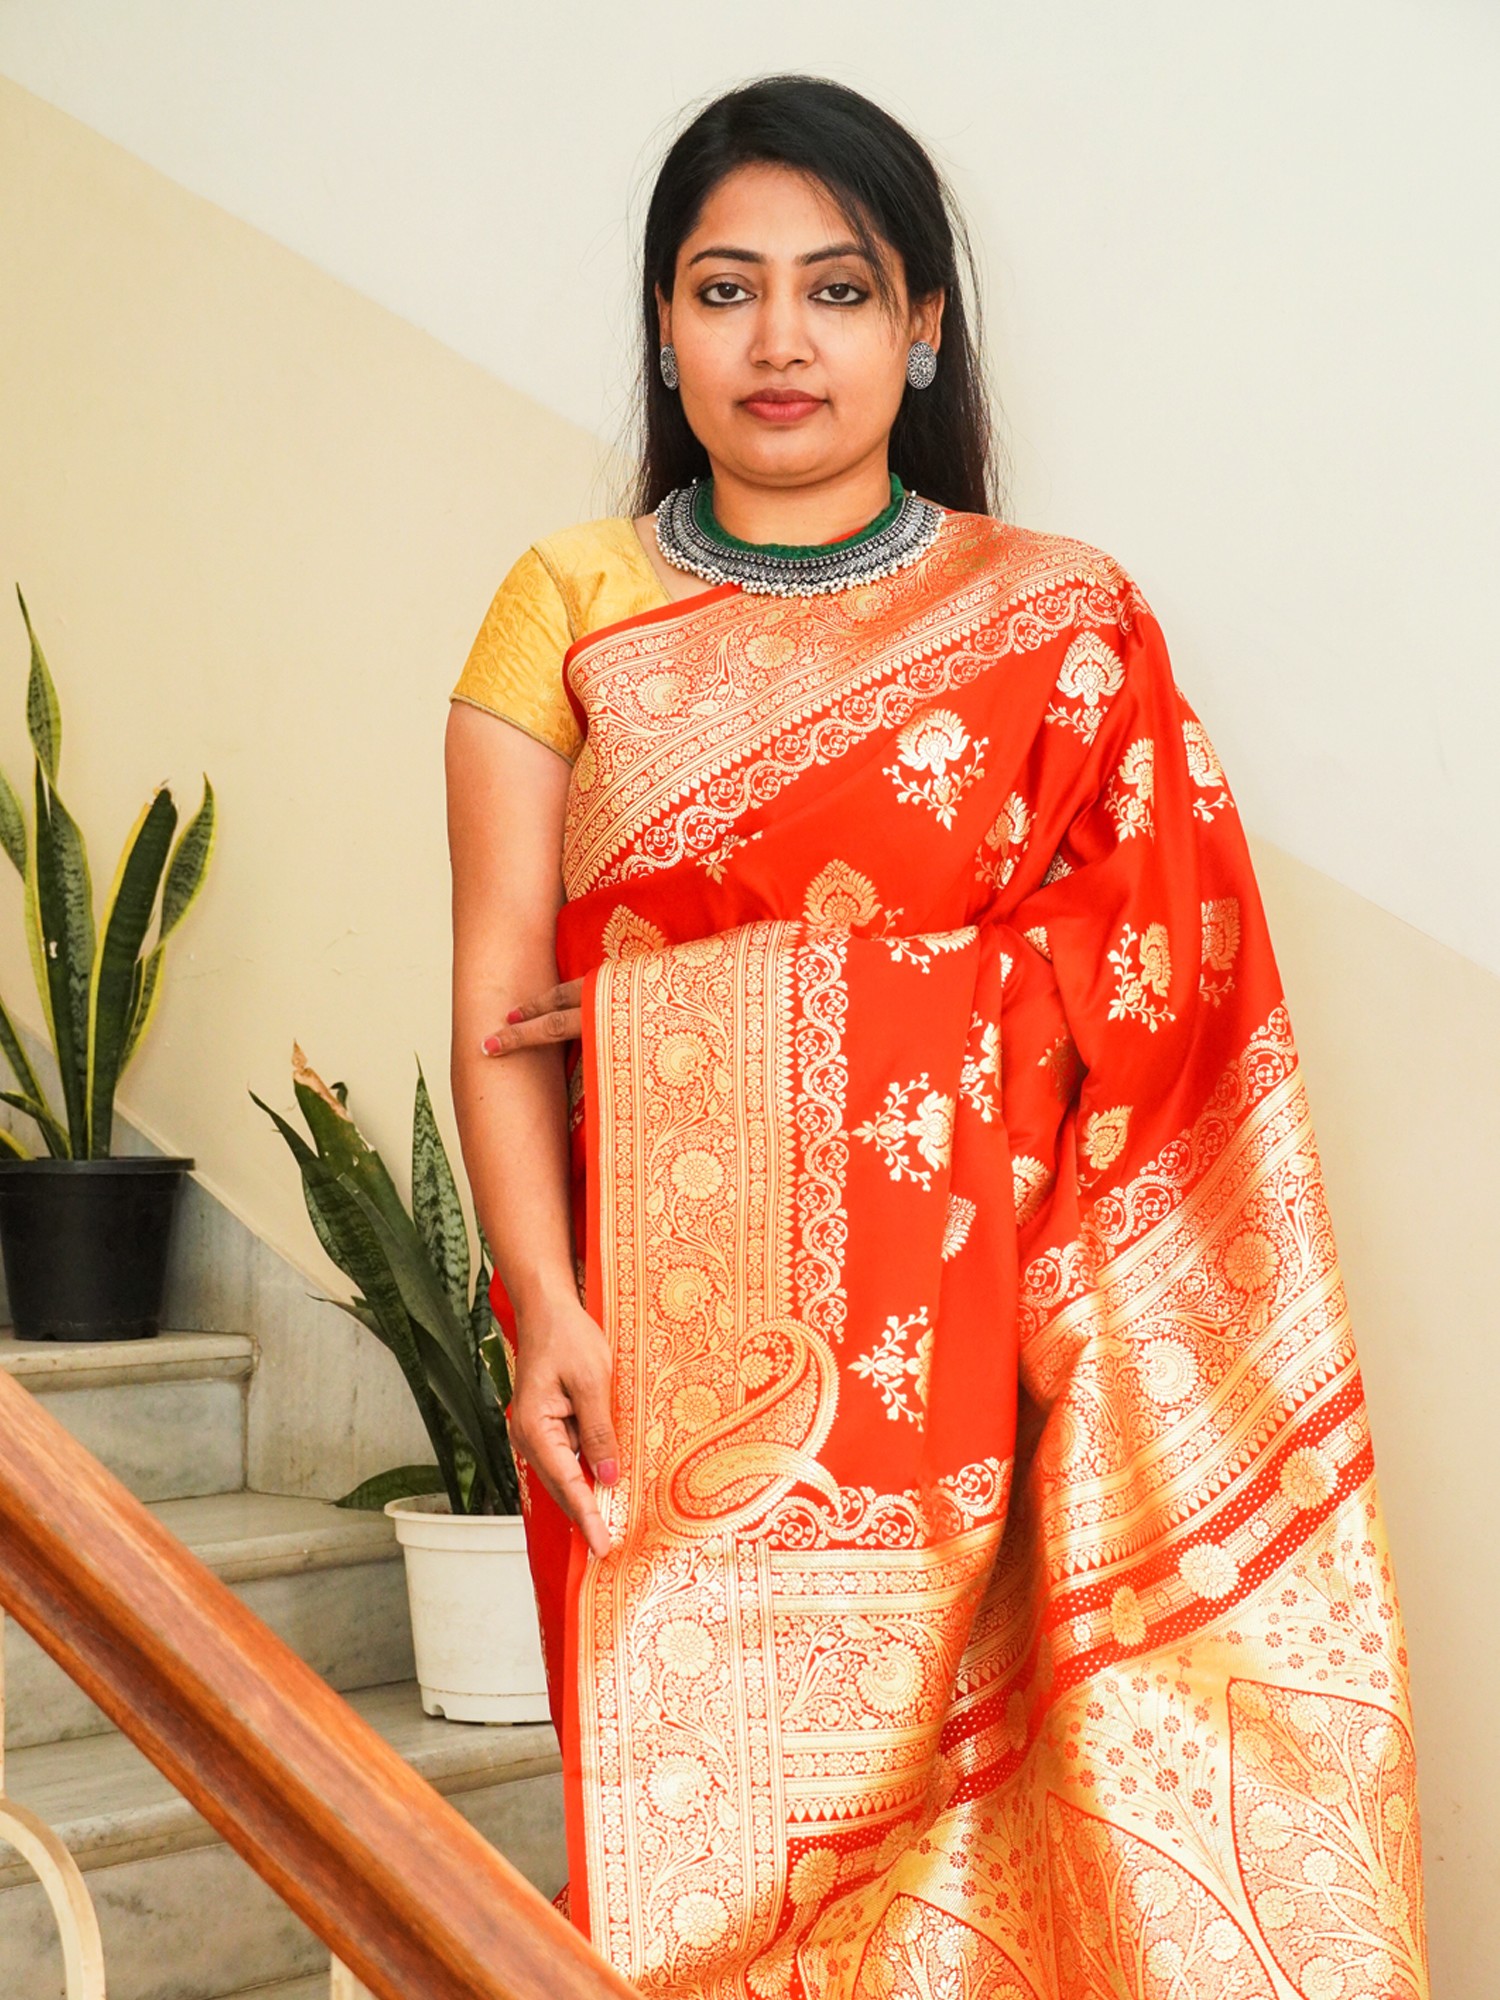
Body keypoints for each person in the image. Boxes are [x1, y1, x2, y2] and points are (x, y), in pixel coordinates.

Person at [445, 73, 1428, 2000]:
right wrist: (543, 1306)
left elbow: (1171, 980)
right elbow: (500, 1018)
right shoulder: (566, 607)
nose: (780, 339)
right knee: (694, 1899)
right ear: (664, 326)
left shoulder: (1061, 620)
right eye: (725, 289)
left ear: (920, 327)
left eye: (837, 288)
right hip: (666, 1364)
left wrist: (768, 1003)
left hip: (1009, 1379)